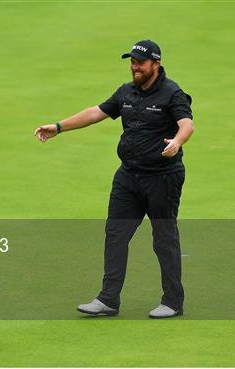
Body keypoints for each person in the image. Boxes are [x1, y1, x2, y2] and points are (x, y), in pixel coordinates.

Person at [34, 40, 194, 319]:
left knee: (164, 238)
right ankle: (108, 299)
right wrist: (59, 127)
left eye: (140, 63)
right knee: (116, 235)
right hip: (128, 177)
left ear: (156, 64)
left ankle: (172, 302)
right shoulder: (126, 91)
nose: (135, 67)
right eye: (131, 61)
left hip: (162, 177)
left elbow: (186, 124)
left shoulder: (172, 93)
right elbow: (96, 112)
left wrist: (177, 142)